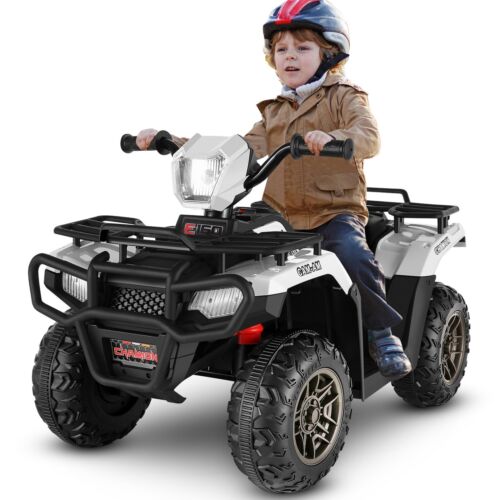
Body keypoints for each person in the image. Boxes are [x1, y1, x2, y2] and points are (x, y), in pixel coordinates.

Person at [136, 0, 411, 381]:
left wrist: (334, 137)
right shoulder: (274, 110)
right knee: (218, 246)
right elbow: (239, 149)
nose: (290, 56)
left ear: (329, 53)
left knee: (354, 254)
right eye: (281, 49)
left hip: (332, 211)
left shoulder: (345, 96)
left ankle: (381, 334)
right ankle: (196, 324)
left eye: (303, 47)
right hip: (279, 213)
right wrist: (173, 142)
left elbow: (369, 135)